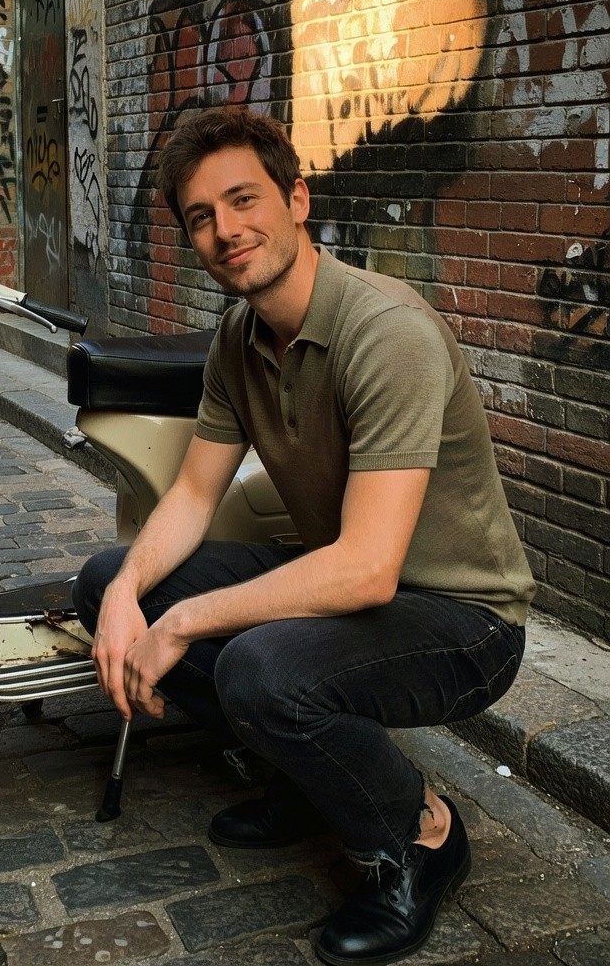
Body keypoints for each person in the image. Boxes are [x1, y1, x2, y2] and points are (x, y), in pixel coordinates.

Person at [72, 106, 535, 966]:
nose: (225, 230)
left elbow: (364, 571)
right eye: (201, 217)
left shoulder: (384, 333)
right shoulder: (239, 339)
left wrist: (178, 623)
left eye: (243, 200)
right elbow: (192, 494)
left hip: (463, 620)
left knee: (258, 668)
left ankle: (420, 837)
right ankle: (307, 774)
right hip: (354, 586)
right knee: (105, 581)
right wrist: (131, 597)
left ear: (297, 199)